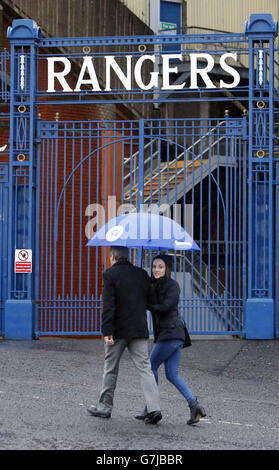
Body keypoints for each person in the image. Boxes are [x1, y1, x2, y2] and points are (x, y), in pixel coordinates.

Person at [87, 245, 162, 425]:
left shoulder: (110, 274)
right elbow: (150, 301)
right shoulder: (142, 274)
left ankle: (104, 408)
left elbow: (108, 306)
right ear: (128, 256)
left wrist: (107, 332)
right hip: (138, 329)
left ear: (113, 257)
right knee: (145, 369)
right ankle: (154, 408)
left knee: (111, 368)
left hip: (118, 331)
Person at [135, 254, 206, 425]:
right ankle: (194, 405)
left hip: (172, 333)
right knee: (172, 374)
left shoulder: (173, 286)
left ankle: (152, 408)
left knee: (150, 366)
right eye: (154, 266)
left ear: (167, 268)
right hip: (170, 335)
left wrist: (147, 305)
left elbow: (166, 307)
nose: (156, 270)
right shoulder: (153, 286)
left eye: (160, 266)